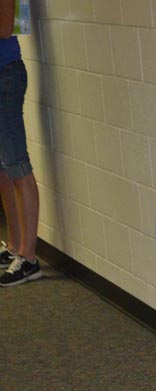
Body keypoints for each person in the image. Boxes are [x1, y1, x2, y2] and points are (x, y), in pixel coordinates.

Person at [0, 0, 41, 286]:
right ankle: (14, 245)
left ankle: (29, 258)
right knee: (3, 169)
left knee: (17, 166)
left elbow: (4, 27)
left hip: (5, 76)